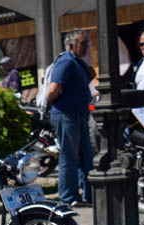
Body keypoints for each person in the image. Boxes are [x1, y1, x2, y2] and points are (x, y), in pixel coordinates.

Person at [46, 30, 96, 208]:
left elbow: (91, 74)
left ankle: (89, 195)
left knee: (85, 156)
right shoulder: (66, 61)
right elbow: (53, 90)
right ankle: (68, 198)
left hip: (78, 114)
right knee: (69, 157)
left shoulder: (77, 62)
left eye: (87, 43)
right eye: (83, 44)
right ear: (71, 45)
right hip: (67, 115)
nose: (86, 47)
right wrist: (56, 103)